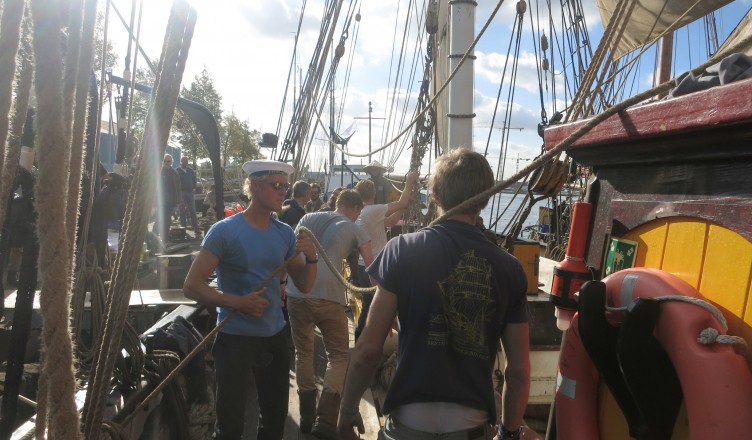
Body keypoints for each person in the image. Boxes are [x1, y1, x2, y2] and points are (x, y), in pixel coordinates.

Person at [337, 148, 531, 440]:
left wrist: (348, 409)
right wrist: (510, 433)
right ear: (486, 198)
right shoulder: (510, 268)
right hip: (471, 429)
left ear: (436, 195)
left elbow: (367, 349)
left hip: (406, 427)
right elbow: (517, 371)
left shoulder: (401, 250)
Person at [183, 159, 319, 440]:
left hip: (274, 337)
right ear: (255, 187)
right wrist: (238, 302)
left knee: (274, 421)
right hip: (235, 339)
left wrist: (313, 257)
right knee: (229, 426)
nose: (284, 192)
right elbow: (192, 286)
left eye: (287, 186)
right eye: (277, 185)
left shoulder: (284, 234)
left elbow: (304, 285)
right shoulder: (224, 231)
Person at [285, 189, 374, 438]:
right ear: (355, 209)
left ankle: (306, 416)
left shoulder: (307, 219)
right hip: (328, 297)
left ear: (337, 203)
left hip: (297, 293)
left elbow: (291, 253)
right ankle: (325, 423)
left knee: (304, 352)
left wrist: (283, 284)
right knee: (338, 355)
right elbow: (371, 265)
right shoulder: (355, 228)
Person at [352, 170, 418, 340]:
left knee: (370, 304)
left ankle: (365, 336)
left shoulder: (364, 213)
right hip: (374, 266)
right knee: (376, 306)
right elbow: (402, 201)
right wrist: (409, 181)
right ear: (373, 193)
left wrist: (403, 210)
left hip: (363, 265)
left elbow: (388, 222)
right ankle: (363, 337)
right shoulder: (372, 210)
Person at [154, 153, 181, 241]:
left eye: (168, 161)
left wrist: (178, 202)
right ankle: (153, 236)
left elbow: (178, 188)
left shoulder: (175, 173)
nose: (166, 162)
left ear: (171, 162)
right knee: (159, 219)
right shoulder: (158, 172)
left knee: (168, 220)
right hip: (160, 200)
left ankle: (165, 237)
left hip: (170, 201)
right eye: (165, 161)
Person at [177, 156, 200, 238]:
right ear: (181, 162)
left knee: (192, 210)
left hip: (190, 192)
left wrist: (194, 188)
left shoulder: (190, 171)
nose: (185, 162)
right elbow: (176, 182)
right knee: (182, 211)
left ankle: (196, 227)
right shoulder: (177, 171)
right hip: (182, 193)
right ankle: (183, 228)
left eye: (186, 161)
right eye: (183, 161)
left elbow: (194, 179)